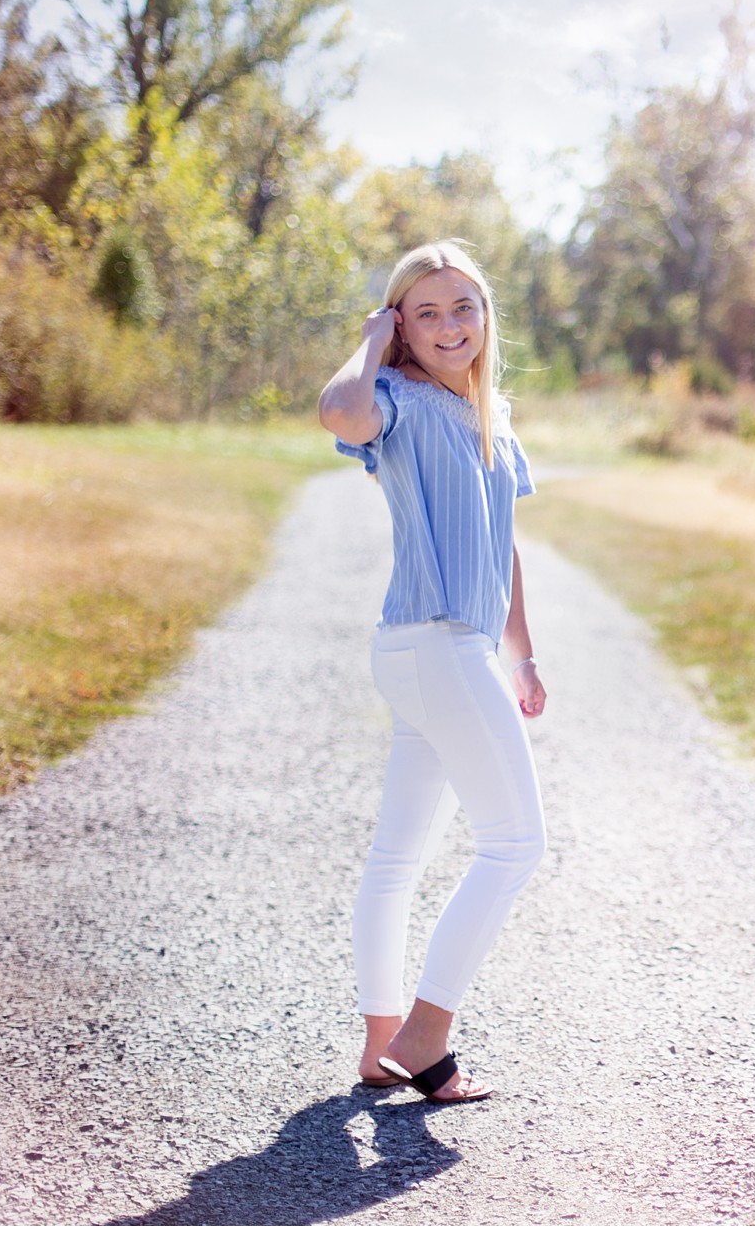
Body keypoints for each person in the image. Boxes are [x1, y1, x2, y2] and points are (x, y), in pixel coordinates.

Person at [316, 240, 548, 1104]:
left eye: (464, 307)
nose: (450, 326)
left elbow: (504, 544)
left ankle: (383, 1040)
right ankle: (425, 1035)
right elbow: (339, 414)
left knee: (398, 855)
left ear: (486, 317)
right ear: (403, 329)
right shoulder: (394, 398)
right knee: (517, 843)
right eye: (426, 313)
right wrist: (372, 342)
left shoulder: (493, 417)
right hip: (435, 646)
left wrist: (521, 653)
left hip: (439, 652)